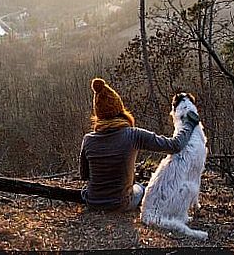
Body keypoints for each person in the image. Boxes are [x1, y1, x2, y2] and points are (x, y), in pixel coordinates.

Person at [79, 78, 200, 212]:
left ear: (98, 115)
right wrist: (188, 123)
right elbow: (174, 145)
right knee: (142, 189)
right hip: (121, 203)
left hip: (92, 202)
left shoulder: (88, 139)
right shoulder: (133, 135)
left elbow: (84, 175)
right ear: (120, 109)